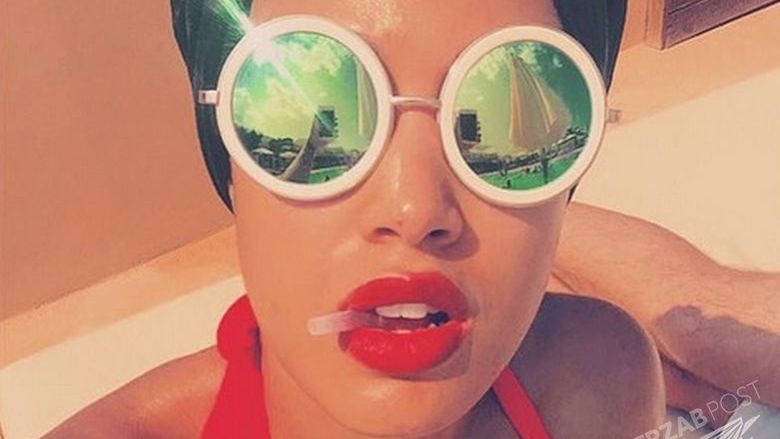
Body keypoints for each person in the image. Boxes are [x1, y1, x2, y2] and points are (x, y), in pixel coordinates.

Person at [41, 0, 780, 438]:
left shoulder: (599, 377)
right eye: (307, 111)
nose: (416, 206)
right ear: (224, 153)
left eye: (507, 134)